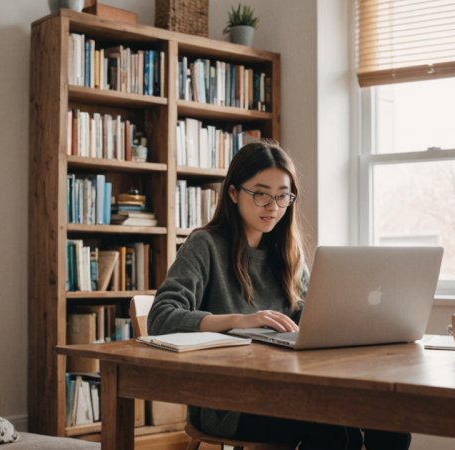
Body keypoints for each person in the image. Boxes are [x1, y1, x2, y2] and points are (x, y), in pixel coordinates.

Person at [148, 140, 411, 450]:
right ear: (233, 193)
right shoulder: (205, 244)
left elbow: (312, 319)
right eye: (260, 193)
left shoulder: (286, 254)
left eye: (283, 195)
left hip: (291, 390)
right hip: (228, 403)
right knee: (335, 429)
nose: (272, 205)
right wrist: (240, 321)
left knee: (393, 421)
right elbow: (161, 317)